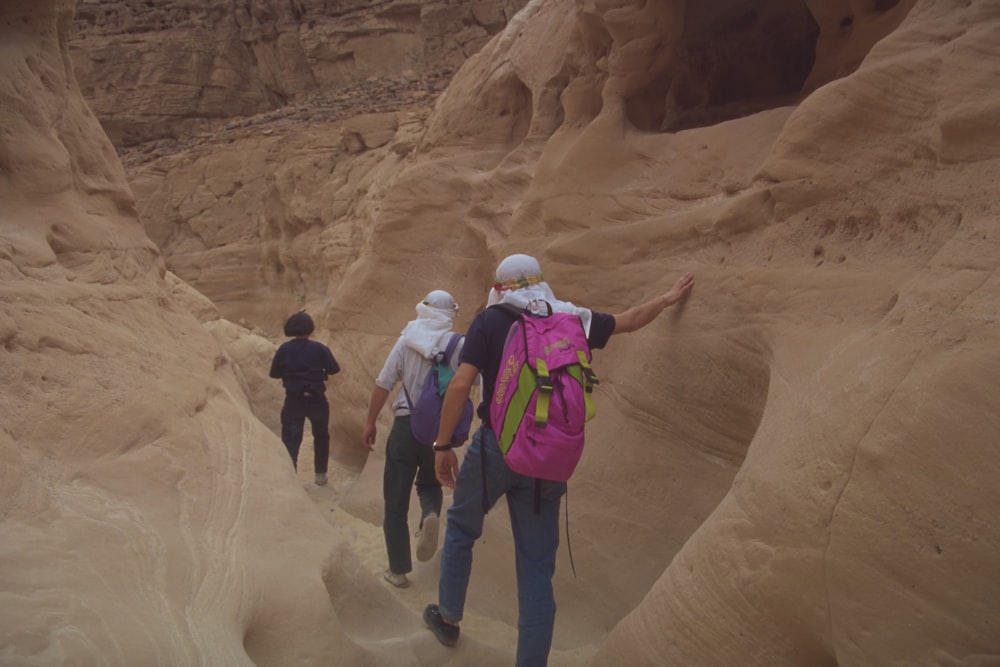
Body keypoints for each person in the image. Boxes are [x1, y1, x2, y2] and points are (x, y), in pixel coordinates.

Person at [422, 254, 695, 666]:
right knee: (535, 566)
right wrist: (668, 298)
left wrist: (443, 447)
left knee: (461, 526)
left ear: (500, 286)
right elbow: (630, 320)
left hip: (496, 447)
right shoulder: (570, 317)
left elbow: (461, 383)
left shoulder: (490, 320)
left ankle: (448, 618)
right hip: (549, 456)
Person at [362, 290, 468, 589]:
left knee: (395, 500)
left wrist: (370, 422)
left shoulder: (407, 339)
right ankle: (430, 514)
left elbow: (383, 382)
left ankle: (397, 570)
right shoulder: (458, 344)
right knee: (431, 481)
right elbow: (471, 384)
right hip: (439, 431)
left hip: (405, 426)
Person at [269, 310, 341, 486]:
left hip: (294, 399)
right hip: (317, 399)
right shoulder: (319, 349)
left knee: (291, 438)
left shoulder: (284, 350)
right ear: (310, 329)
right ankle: (320, 475)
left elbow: (274, 373)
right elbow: (334, 369)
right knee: (321, 435)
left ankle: (290, 476)